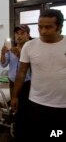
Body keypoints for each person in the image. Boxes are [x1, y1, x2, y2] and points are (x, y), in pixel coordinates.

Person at [11, 9, 66, 141]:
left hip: (62, 104)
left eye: (48, 27)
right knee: (38, 135)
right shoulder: (30, 46)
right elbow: (22, 73)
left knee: (57, 134)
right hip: (36, 102)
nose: (43, 31)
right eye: (40, 27)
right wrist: (15, 96)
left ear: (59, 27)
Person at [0, 24, 31, 140]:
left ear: (28, 34)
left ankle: (25, 130)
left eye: (22, 33)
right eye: (17, 33)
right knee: (14, 106)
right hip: (12, 82)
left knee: (25, 107)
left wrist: (19, 54)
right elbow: (3, 64)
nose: (19, 36)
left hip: (27, 83)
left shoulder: (31, 48)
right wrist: (3, 53)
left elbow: (32, 67)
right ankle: (16, 129)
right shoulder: (11, 49)